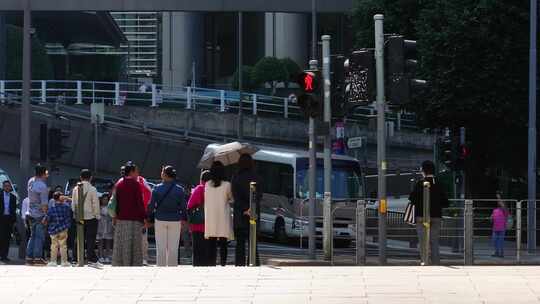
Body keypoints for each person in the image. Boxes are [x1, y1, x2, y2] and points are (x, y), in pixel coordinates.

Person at [409, 160, 449, 265]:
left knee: (423, 241)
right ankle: (436, 261)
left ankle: (425, 260)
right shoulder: (439, 183)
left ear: (423, 170)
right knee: (434, 240)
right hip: (436, 216)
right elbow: (445, 202)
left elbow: (412, 199)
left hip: (421, 216)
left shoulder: (419, 183)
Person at [147, 165, 186, 267]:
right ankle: (172, 268)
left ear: (164, 175)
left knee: (161, 247)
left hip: (160, 219)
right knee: (173, 247)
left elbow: (151, 206)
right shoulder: (180, 189)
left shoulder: (156, 188)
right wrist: (185, 219)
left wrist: (147, 217)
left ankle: (161, 267)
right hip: (175, 219)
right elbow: (183, 207)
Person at [112, 162, 146, 266]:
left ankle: (120, 263)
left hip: (121, 219)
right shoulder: (136, 185)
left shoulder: (119, 184)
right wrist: (144, 217)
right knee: (134, 245)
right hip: (135, 220)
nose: (138, 173)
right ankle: (134, 264)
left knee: (122, 244)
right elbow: (140, 203)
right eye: (136, 171)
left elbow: (115, 203)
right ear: (131, 172)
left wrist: (115, 216)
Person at [231, 154, 262, 266]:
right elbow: (259, 196)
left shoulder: (236, 177)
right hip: (253, 213)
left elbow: (235, 196)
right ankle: (253, 263)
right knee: (253, 242)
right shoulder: (256, 177)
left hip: (240, 213)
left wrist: (244, 209)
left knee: (240, 243)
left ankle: (239, 264)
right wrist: (250, 208)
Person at [204, 161, 234, 266]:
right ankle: (222, 264)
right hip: (223, 217)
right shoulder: (227, 185)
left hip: (211, 217)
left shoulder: (207, 184)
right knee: (223, 243)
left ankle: (210, 263)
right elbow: (231, 199)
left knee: (211, 243)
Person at [71, 169, 100, 265]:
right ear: (90, 178)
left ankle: (75, 258)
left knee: (79, 237)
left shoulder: (76, 189)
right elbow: (95, 204)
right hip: (91, 217)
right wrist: (97, 215)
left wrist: (75, 214)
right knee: (91, 238)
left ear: (80, 177)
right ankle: (91, 258)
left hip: (80, 217)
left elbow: (73, 203)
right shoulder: (93, 189)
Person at [26, 164, 50, 266]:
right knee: (39, 236)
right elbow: (44, 204)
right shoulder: (42, 186)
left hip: (30, 212)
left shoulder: (30, 181)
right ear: (43, 173)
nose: (47, 174)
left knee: (32, 235)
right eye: (46, 172)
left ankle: (29, 257)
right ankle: (37, 257)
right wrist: (46, 215)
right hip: (39, 214)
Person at [187, 170, 212, 266]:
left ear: (201, 179)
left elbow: (189, 206)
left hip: (197, 226)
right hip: (210, 226)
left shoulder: (199, 188)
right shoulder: (214, 190)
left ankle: (198, 269)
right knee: (207, 251)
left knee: (197, 252)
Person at [44, 192, 72, 267]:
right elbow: (69, 216)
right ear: (61, 198)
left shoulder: (51, 208)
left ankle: (53, 261)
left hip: (53, 229)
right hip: (63, 228)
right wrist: (67, 198)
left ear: (54, 198)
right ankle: (64, 262)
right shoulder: (66, 207)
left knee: (53, 246)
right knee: (63, 245)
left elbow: (47, 218)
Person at [0, 181, 17, 263]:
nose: (7, 187)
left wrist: (14, 221)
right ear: (3, 187)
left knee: (7, 238)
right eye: (5, 186)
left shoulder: (13, 197)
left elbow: (14, 210)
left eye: (8, 186)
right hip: (1, 218)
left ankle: (4, 256)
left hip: (8, 219)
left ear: (10, 187)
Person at [97, 193, 113, 263]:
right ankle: (100, 256)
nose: (105, 201)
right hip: (100, 227)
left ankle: (107, 256)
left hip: (108, 227)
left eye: (106, 200)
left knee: (108, 242)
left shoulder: (110, 207)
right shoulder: (98, 207)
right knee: (100, 242)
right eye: (104, 199)